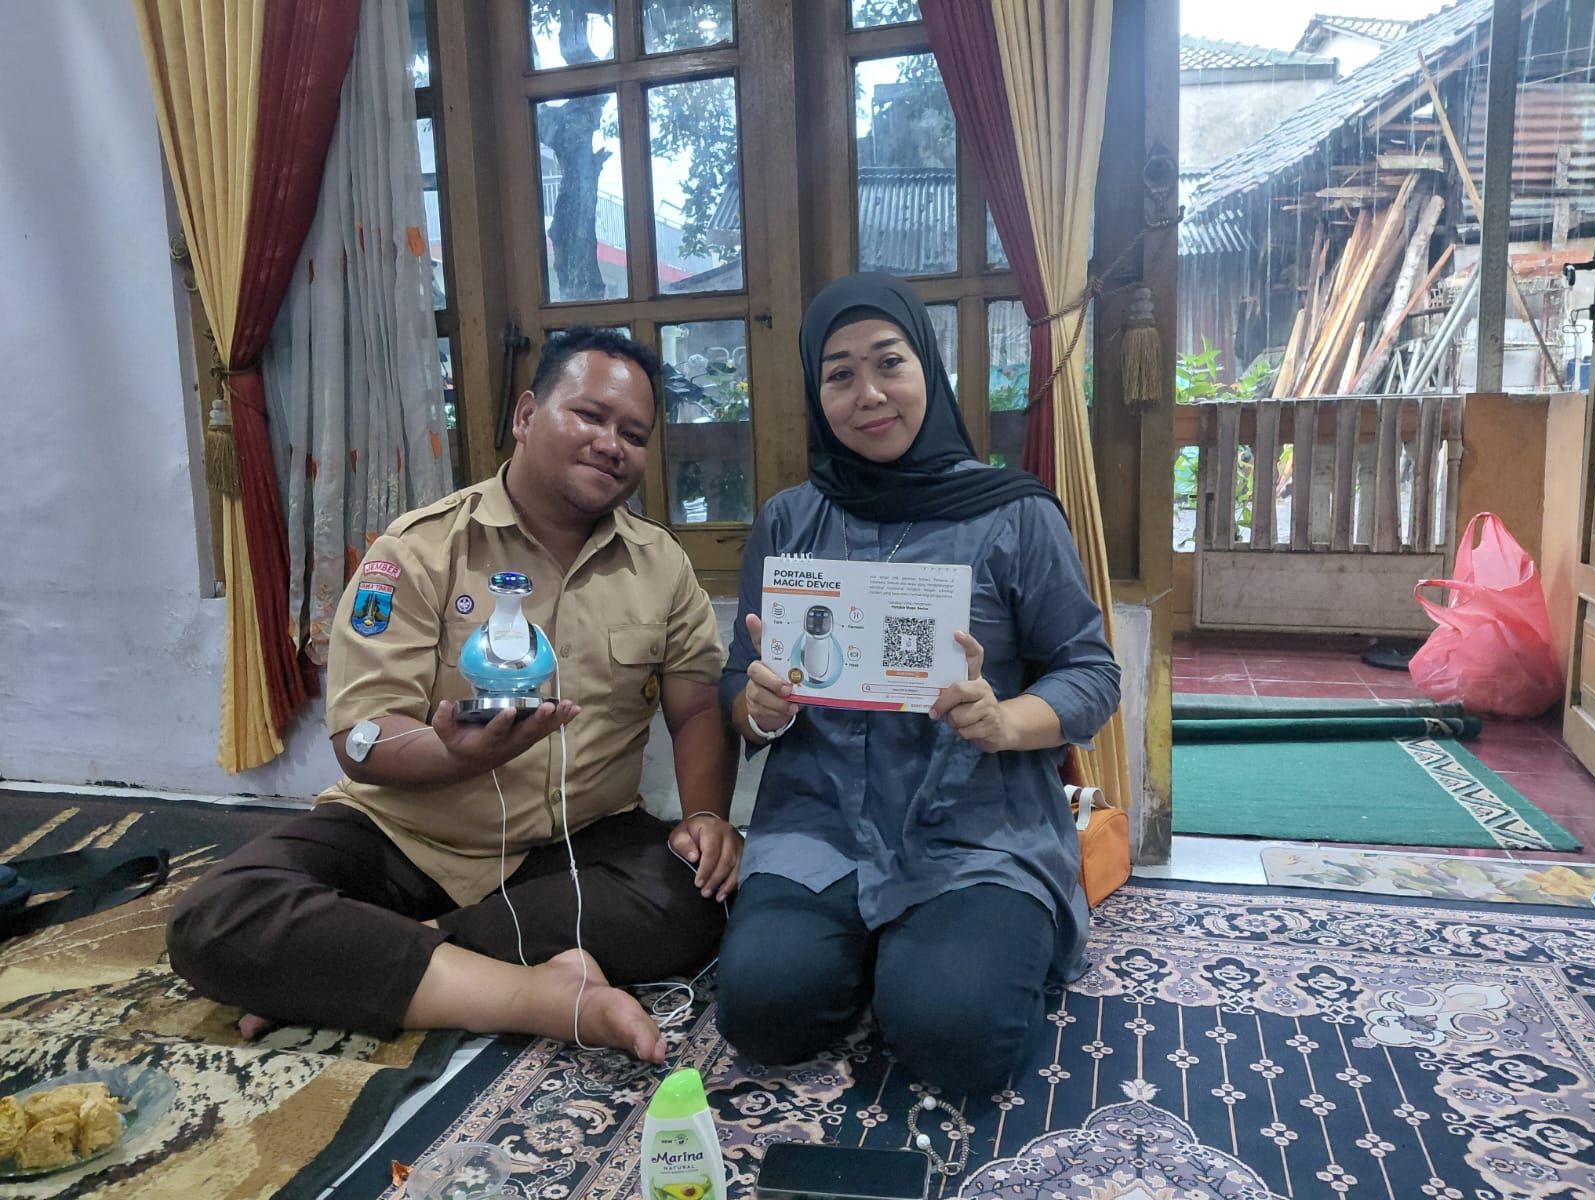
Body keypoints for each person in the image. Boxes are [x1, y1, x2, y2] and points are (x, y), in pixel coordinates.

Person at [168, 328, 740, 1062]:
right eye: (590, 416)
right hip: (407, 837)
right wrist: (450, 755)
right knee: (218, 917)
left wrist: (704, 816)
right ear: (526, 416)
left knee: (702, 893)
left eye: (634, 434)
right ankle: (538, 995)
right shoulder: (419, 550)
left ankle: (367, 965)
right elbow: (360, 738)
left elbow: (696, 708)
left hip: (576, 842)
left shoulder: (661, 565)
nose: (611, 445)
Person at [715, 273, 1122, 1096]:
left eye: (888, 363)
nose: (868, 394)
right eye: (839, 374)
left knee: (958, 1040)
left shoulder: (1016, 513)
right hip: (821, 825)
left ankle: (927, 957)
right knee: (761, 1012)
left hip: (976, 830)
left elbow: (1091, 670)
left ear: (927, 369)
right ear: (817, 394)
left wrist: (1007, 721)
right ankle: (875, 951)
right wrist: (758, 710)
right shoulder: (790, 521)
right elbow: (739, 682)